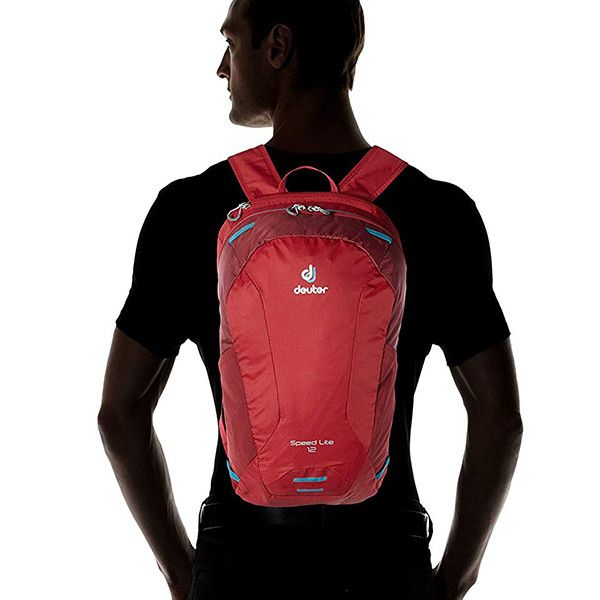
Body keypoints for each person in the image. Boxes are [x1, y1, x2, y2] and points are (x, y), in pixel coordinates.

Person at [97, 1, 523, 599]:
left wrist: (182, 571)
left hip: (239, 563)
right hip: (385, 560)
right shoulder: (439, 211)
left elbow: (120, 412)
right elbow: (499, 415)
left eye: (231, 42)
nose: (222, 67)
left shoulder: (189, 210)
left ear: (278, 46)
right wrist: (455, 577)